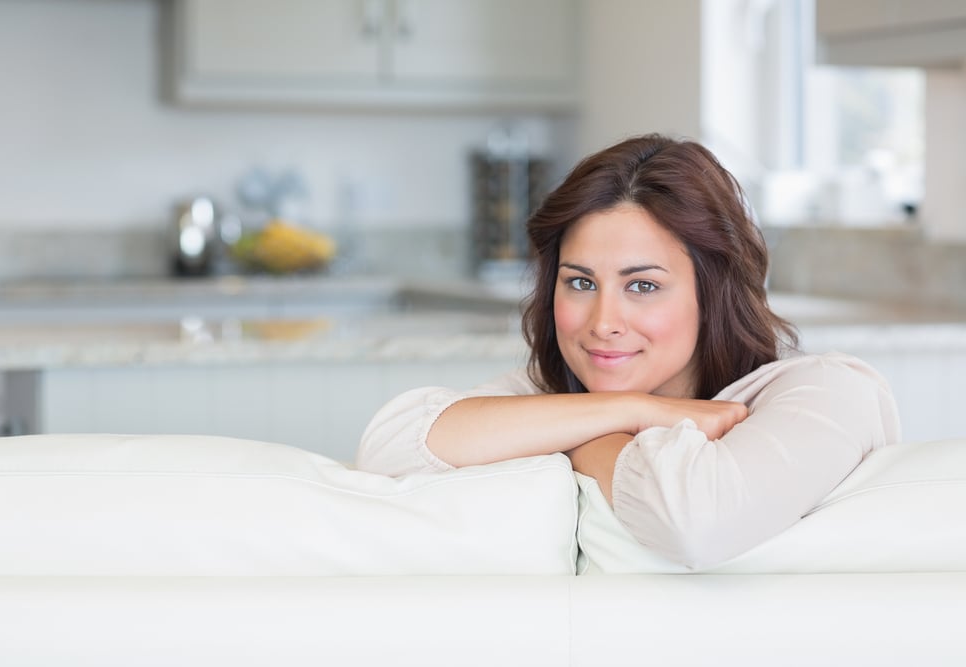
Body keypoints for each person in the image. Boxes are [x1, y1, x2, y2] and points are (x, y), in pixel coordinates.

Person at [355, 134, 901, 569]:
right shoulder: (558, 393)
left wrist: (575, 439)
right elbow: (391, 445)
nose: (603, 323)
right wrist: (633, 411)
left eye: (642, 286)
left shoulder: (827, 391)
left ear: (713, 293)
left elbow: (693, 524)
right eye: (581, 283)